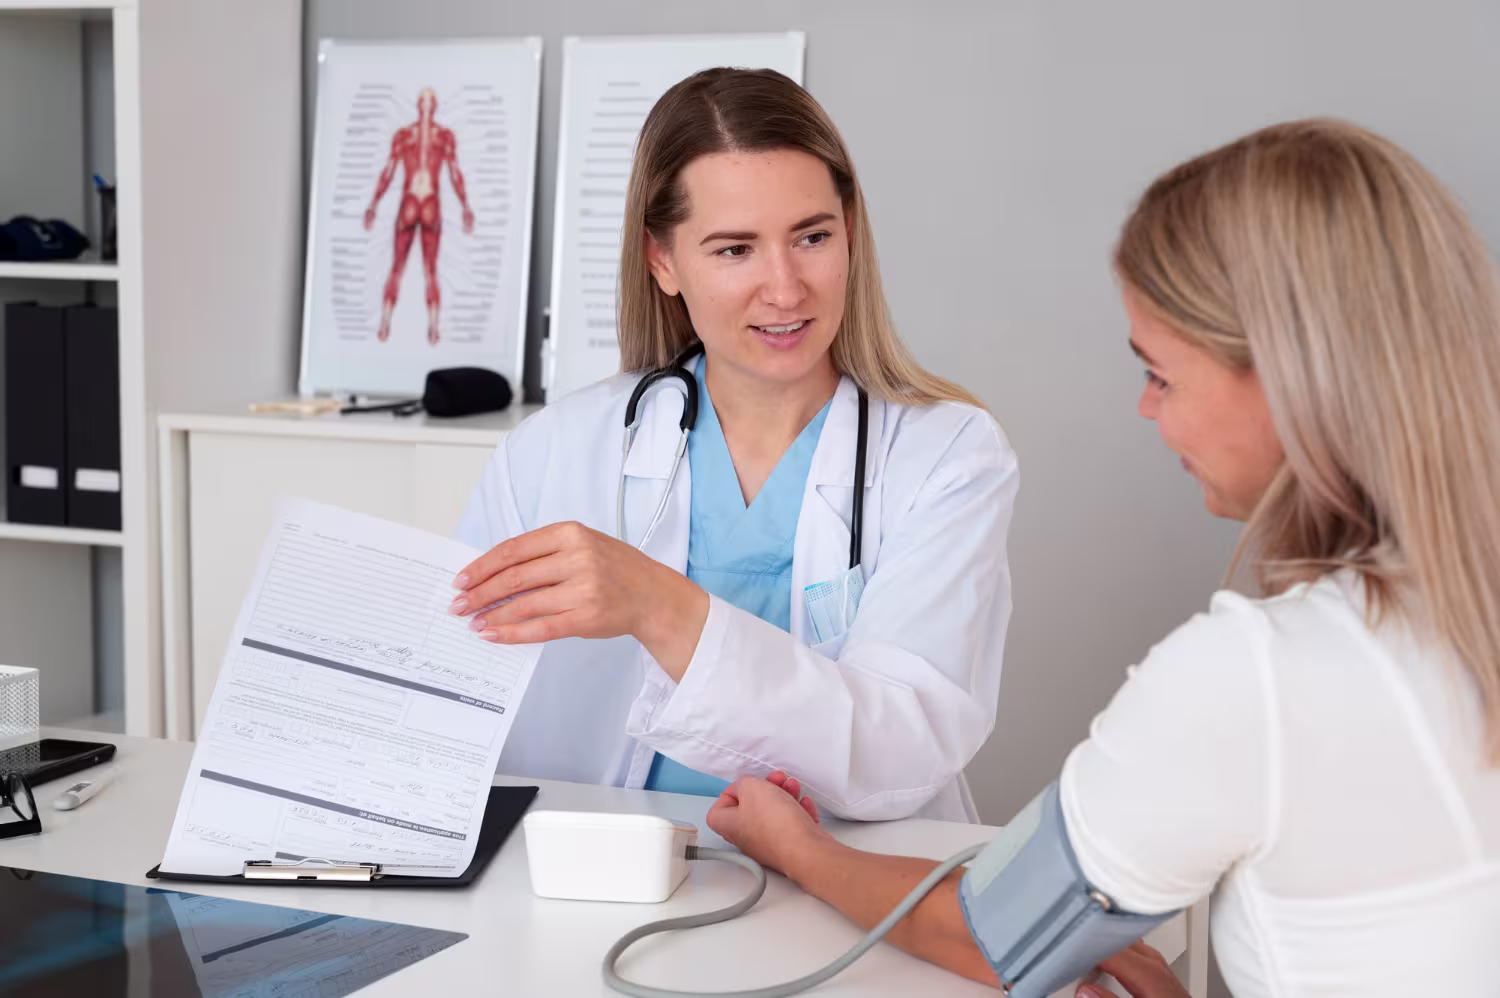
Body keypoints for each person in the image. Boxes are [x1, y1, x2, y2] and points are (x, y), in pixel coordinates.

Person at [705, 119, 1500, 996]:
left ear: (1289, 379)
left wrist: (795, 847)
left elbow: (993, 933)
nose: (1145, 412)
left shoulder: (1258, 673)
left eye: (1160, 375)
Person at [451, 68, 1018, 822]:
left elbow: (900, 750)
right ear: (662, 261)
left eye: (812, 237)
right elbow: (451, 702)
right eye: (734, 250)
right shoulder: (552, 452)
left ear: (850, 231)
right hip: (599, 880)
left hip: (855, 879)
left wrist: (658, 605)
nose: (784, 289)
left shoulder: (946, 456)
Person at [363, 87, 476, 345]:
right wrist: (373, 204)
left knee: (416, 269)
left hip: (418, 202)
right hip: (423, 202)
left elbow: (453, 173)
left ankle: (405, 325)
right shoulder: (417, 137)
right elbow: (388, 172)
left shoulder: (427, 137)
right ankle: (396, 324)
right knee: (416, 269)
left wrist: (466, 205)